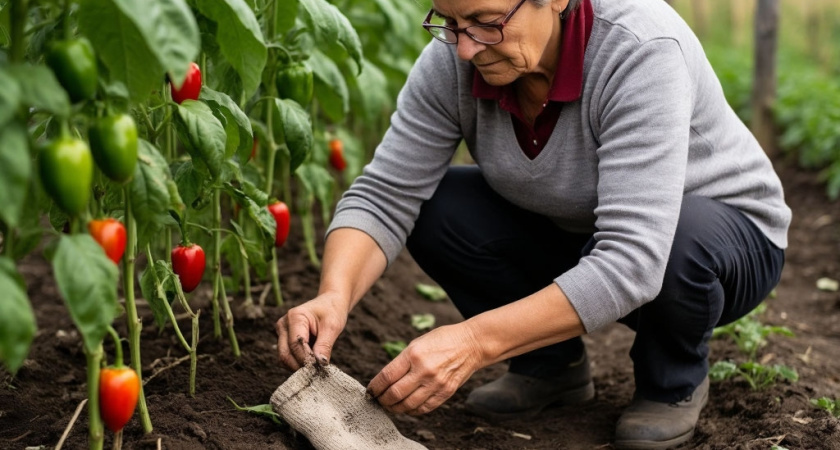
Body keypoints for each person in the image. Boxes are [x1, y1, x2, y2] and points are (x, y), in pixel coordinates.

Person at [275, 0, 791, 448]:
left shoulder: (639, 48)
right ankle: (551, 367)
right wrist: (334, 296)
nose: (464, 49)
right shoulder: (454, 60)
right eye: (448, 22)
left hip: (718, 241)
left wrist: (475, 342)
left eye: (485, 21)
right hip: (577, 230)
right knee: (440, 207)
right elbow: (386, 192)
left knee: (679, 239)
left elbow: (634, 259)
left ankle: (671, 381)